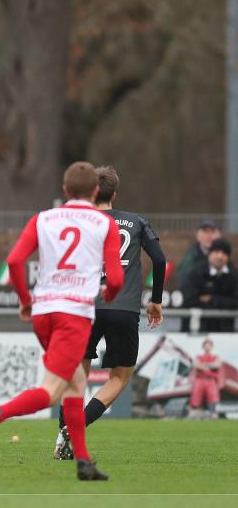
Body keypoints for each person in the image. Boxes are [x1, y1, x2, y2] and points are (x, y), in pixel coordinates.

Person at [0, 162, 123, 481]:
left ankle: (83, 463)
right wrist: (111, 292)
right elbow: (117, 277)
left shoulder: (43, 218)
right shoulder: (103, 222)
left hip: (44, 312)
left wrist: (25, 301)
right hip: (74, 314)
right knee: (54, 389)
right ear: (96, 191)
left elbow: (14, 260)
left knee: (75, 385)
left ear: (65, 190)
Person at [54, 166, 166, 460]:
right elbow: (160, 259)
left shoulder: (80, 222)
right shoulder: (136, 221)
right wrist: (155, 301)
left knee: (75, 377)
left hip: (85, 309)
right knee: (119, 378)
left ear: (91, 192)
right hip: (124, 308)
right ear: (114, 194)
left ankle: (63, 435)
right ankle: (76, 430)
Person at [182, 238, 238, 332]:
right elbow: (189, 300)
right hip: (198, 330)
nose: (220, 256)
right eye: (216, 252)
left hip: (225, 333)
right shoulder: (196, 273)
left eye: (224, 253)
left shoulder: (234, 275)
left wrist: (211, 299)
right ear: (210, 253)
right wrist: (224, 303)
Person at [177, 220, 221, 287]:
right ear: (198, 236)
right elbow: (184, 279)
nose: (209, 235)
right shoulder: (190, 257)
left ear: (219, 235)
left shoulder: (223, 255)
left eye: (213, 231)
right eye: (205, 231)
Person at [189, 339, 222, 416]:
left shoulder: (216, 357)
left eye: (209, 345)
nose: (207, 347)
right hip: (200, 379)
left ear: (212, 347)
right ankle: (193, 413)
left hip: (211, 380)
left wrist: (204, 364)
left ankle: (214, 414)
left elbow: (217, 365)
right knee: (196, 395)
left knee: (213, 396)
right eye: (206, 345)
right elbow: (195, 365)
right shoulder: (198, 356)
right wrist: (210, 365)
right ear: (203, 347)